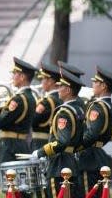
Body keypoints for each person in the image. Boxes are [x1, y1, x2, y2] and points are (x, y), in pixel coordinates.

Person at [31, 69, 85, 198]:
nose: (58, 88)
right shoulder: (79, 108)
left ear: (68, 90)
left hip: (59, 165)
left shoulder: (64, 112)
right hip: (72, 162)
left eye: (61, 86)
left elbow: (62, 141)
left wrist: (40, 152)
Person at [79, 66, 112, 196]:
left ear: (103, 86)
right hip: (100, 156)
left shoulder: (97, 107)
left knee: (88, 193)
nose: (93, 84)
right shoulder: (111, 107)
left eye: (96, 82)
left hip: (88, 158)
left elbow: (91, 134)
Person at [0, 57, 37, 165]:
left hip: (10, 147)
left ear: (22, 77)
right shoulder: (31, 97)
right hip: (20, 144)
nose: (12, 77)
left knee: (9, 180)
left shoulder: (18, 99)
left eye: (15, 73)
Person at [31, 62, 62, 152]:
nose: (42, 82)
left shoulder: (47, 101)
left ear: (51, 81)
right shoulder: (60, 99)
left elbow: (33, 121)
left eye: (44, 78)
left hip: (40, 143)